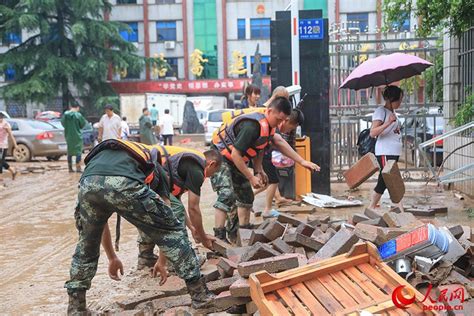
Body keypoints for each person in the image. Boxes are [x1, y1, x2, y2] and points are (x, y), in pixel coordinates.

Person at [65, 139, 216, 314]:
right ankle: (201, 297)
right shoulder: (157, 168)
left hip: (88, 184)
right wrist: (162, 262)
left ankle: (76, 308)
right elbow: (167, 226)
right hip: (125, 183)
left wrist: (112, 257)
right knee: (174, 230)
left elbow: (100, 224)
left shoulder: (113, 157)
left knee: (86, 245)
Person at [101, 146, 223, 278]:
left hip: (134, 182)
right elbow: (192, 208)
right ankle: (177, 260)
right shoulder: (197, 169)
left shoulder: (182, 165)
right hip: (140, 181)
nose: (211, 177)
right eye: (214, 173)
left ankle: (145, 258)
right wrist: (203, 238)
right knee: (168, 212)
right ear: (212, 164)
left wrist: (192, 228)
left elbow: (177, 202)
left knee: (150, 214)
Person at [211, 97, 319, 242]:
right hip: (219, 157)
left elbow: (260, 148)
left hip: (236, 160)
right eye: (279, 120)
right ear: (269, 111)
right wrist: (250, 177)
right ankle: (218, 237)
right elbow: (236, 153)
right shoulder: (252, 126)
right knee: (227, 194)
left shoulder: (269, 127)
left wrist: (258, 170)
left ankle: (240, 232)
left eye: (283, 121)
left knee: (246, 196)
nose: (281, 124)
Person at [369, 85, 404, 210]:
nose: (400, 103)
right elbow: (373, 132)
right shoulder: (381, 112)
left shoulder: (392, 112)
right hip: (385, 152)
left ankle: (371, 208)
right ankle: (400, 210)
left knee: (384, 181)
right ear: (390, 99)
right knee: (391, 180)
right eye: (398, 100)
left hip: (393, 152)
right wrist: (388, 122)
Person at [61, 104, 87, 173]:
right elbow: (83, 124)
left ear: (70, 107)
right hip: (77, 136)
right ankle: (78, 168)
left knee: (69, 152)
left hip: (68, 136)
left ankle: (70, 168)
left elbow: (63, 123)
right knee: (78, 152)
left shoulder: (65, 115)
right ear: (77, 108)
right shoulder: (78, 115)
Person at [0, 112, 17, 180]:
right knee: (2, 161)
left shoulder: (5, 125)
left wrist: (15, 145)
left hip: (3, 146)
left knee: (0, 161)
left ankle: (0, 177)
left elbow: (11, 135)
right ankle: (12, 170)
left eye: (1, 118)